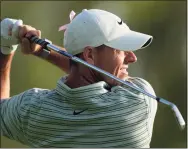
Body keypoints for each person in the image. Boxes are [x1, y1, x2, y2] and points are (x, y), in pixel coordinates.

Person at [0, 9, 157, 148]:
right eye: (121, 49)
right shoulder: (139, 100)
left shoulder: (31, 110)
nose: (132, 57)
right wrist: (42, 50)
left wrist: (5, 46)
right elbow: (94, 70)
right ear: (89, 54)